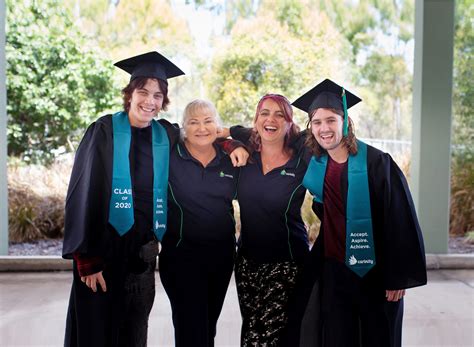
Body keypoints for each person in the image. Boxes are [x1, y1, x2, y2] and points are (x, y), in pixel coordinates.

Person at [62, 52, 247, 347]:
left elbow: (201, 134)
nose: (150, 100)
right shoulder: (104, 131)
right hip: (102, 251)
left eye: (157, 95)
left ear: (164, 101)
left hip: (143, 253)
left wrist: (231, 141)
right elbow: (82, 191)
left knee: (135, 331)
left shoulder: (165, 134)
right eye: (143, 92)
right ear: (130, 94)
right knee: (97, 330)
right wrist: (86, 259)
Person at [287, 79, 427, 347]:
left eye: (331, 120)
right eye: (317, 122)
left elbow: (400, 219)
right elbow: (270, 134)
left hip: (375, 270)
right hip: (334, 269)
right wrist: (230, 139)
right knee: (337, 337)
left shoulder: (377, 163)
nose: (324, 128)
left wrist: (397, 276)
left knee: (378, 337)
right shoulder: (314, 160)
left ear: (345, 122)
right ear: (310, 127)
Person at [225, 94, 310, 346]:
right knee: (251, 327)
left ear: (288, 124)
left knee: (264, 337)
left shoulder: (301, 160)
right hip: (247, 262)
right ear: (256, 120)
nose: (270, 119)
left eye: (279, 114)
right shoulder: (244, 159)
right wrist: (232, 144)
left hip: (287, 263)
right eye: (264, 113)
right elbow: (214, 141)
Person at [159, 99, 241, 347]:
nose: (202, 128)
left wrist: (234, 141)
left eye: (208, 121)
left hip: (221, 257)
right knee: (190, 330)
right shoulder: (171, 156)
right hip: (181, 257)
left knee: (207, 328)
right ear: (184, 126)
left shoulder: (231, 159)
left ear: (217, 125)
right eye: (193, 122)